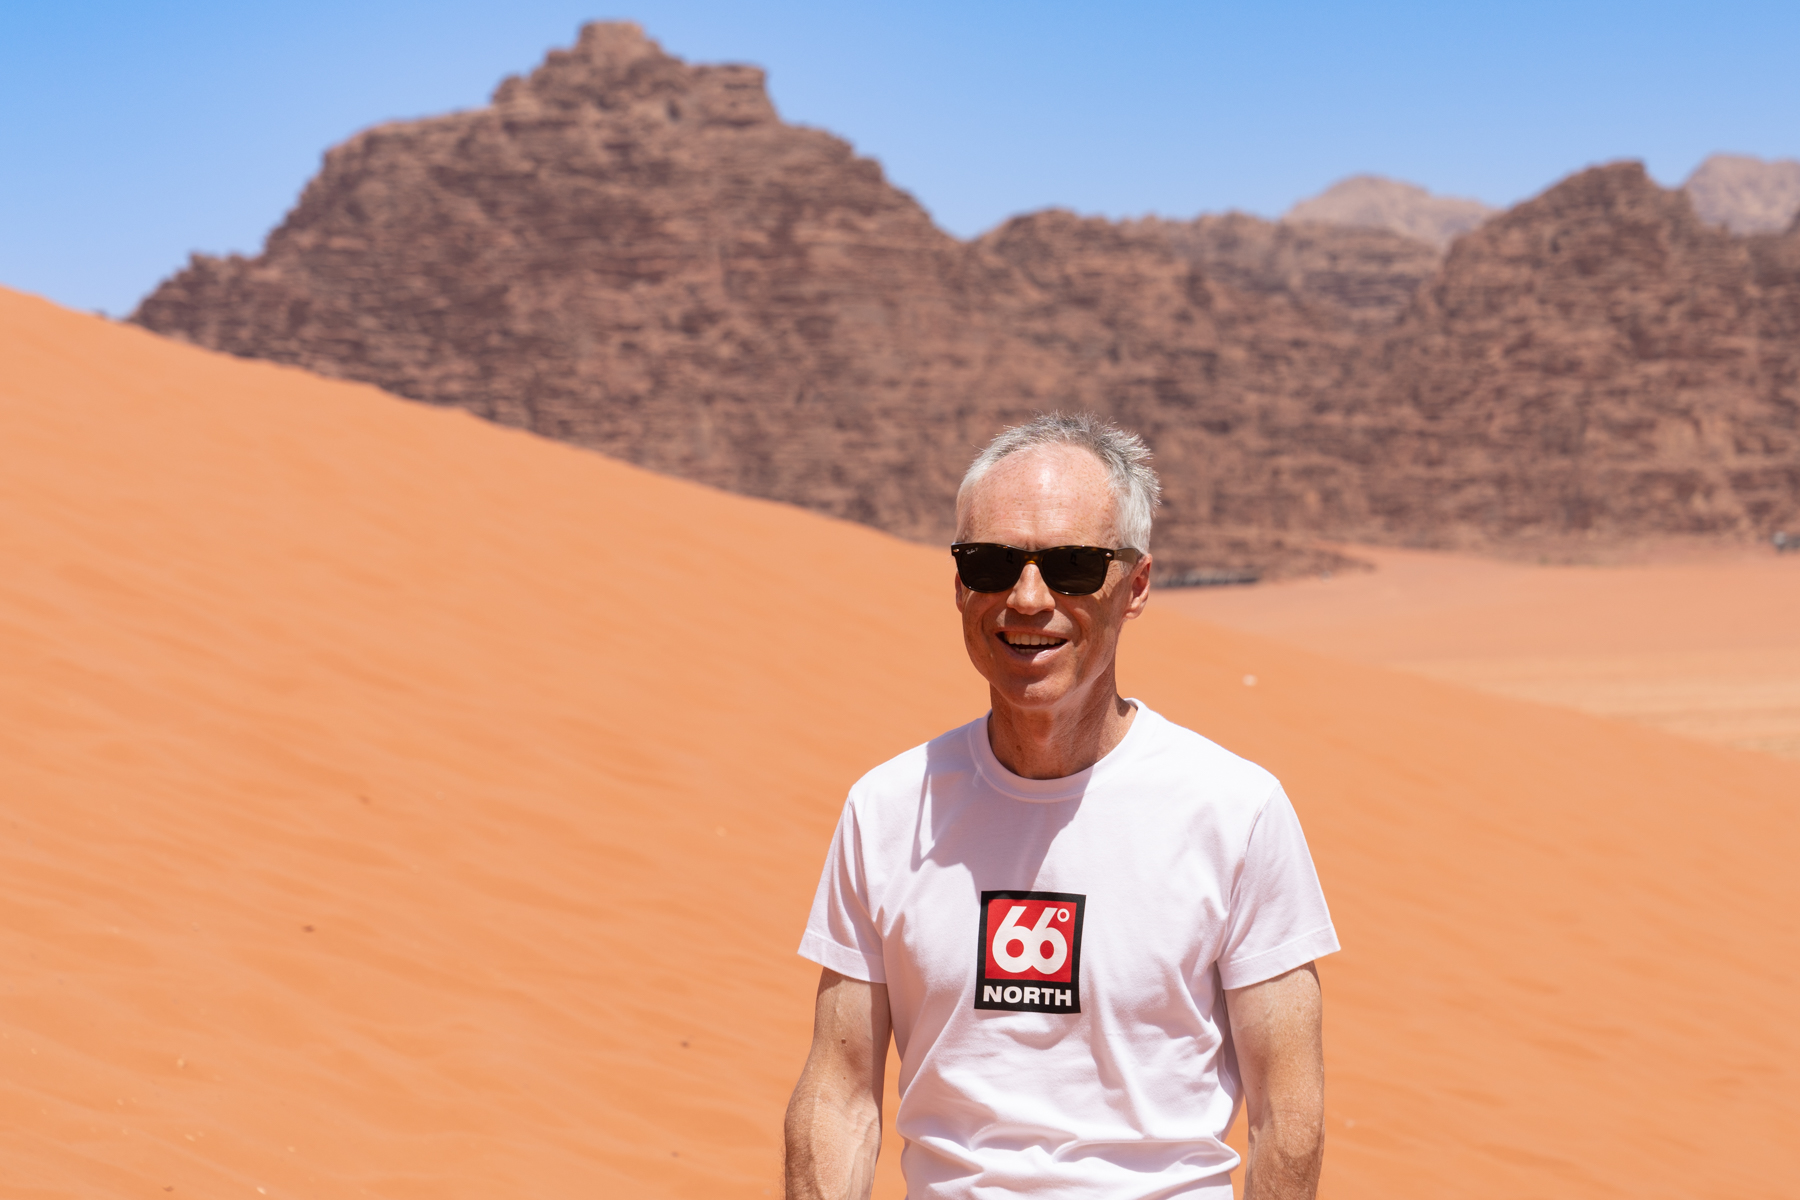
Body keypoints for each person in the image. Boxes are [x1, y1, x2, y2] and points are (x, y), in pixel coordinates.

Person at [785, 413, 1339, 1200]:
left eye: (1074, 566)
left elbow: (1289, 1114)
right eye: (990, 562)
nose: (1028, 597)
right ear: (957, 583)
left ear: (1136, 586)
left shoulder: (1235, 812)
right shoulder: (885, 810)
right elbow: (838, 1096)